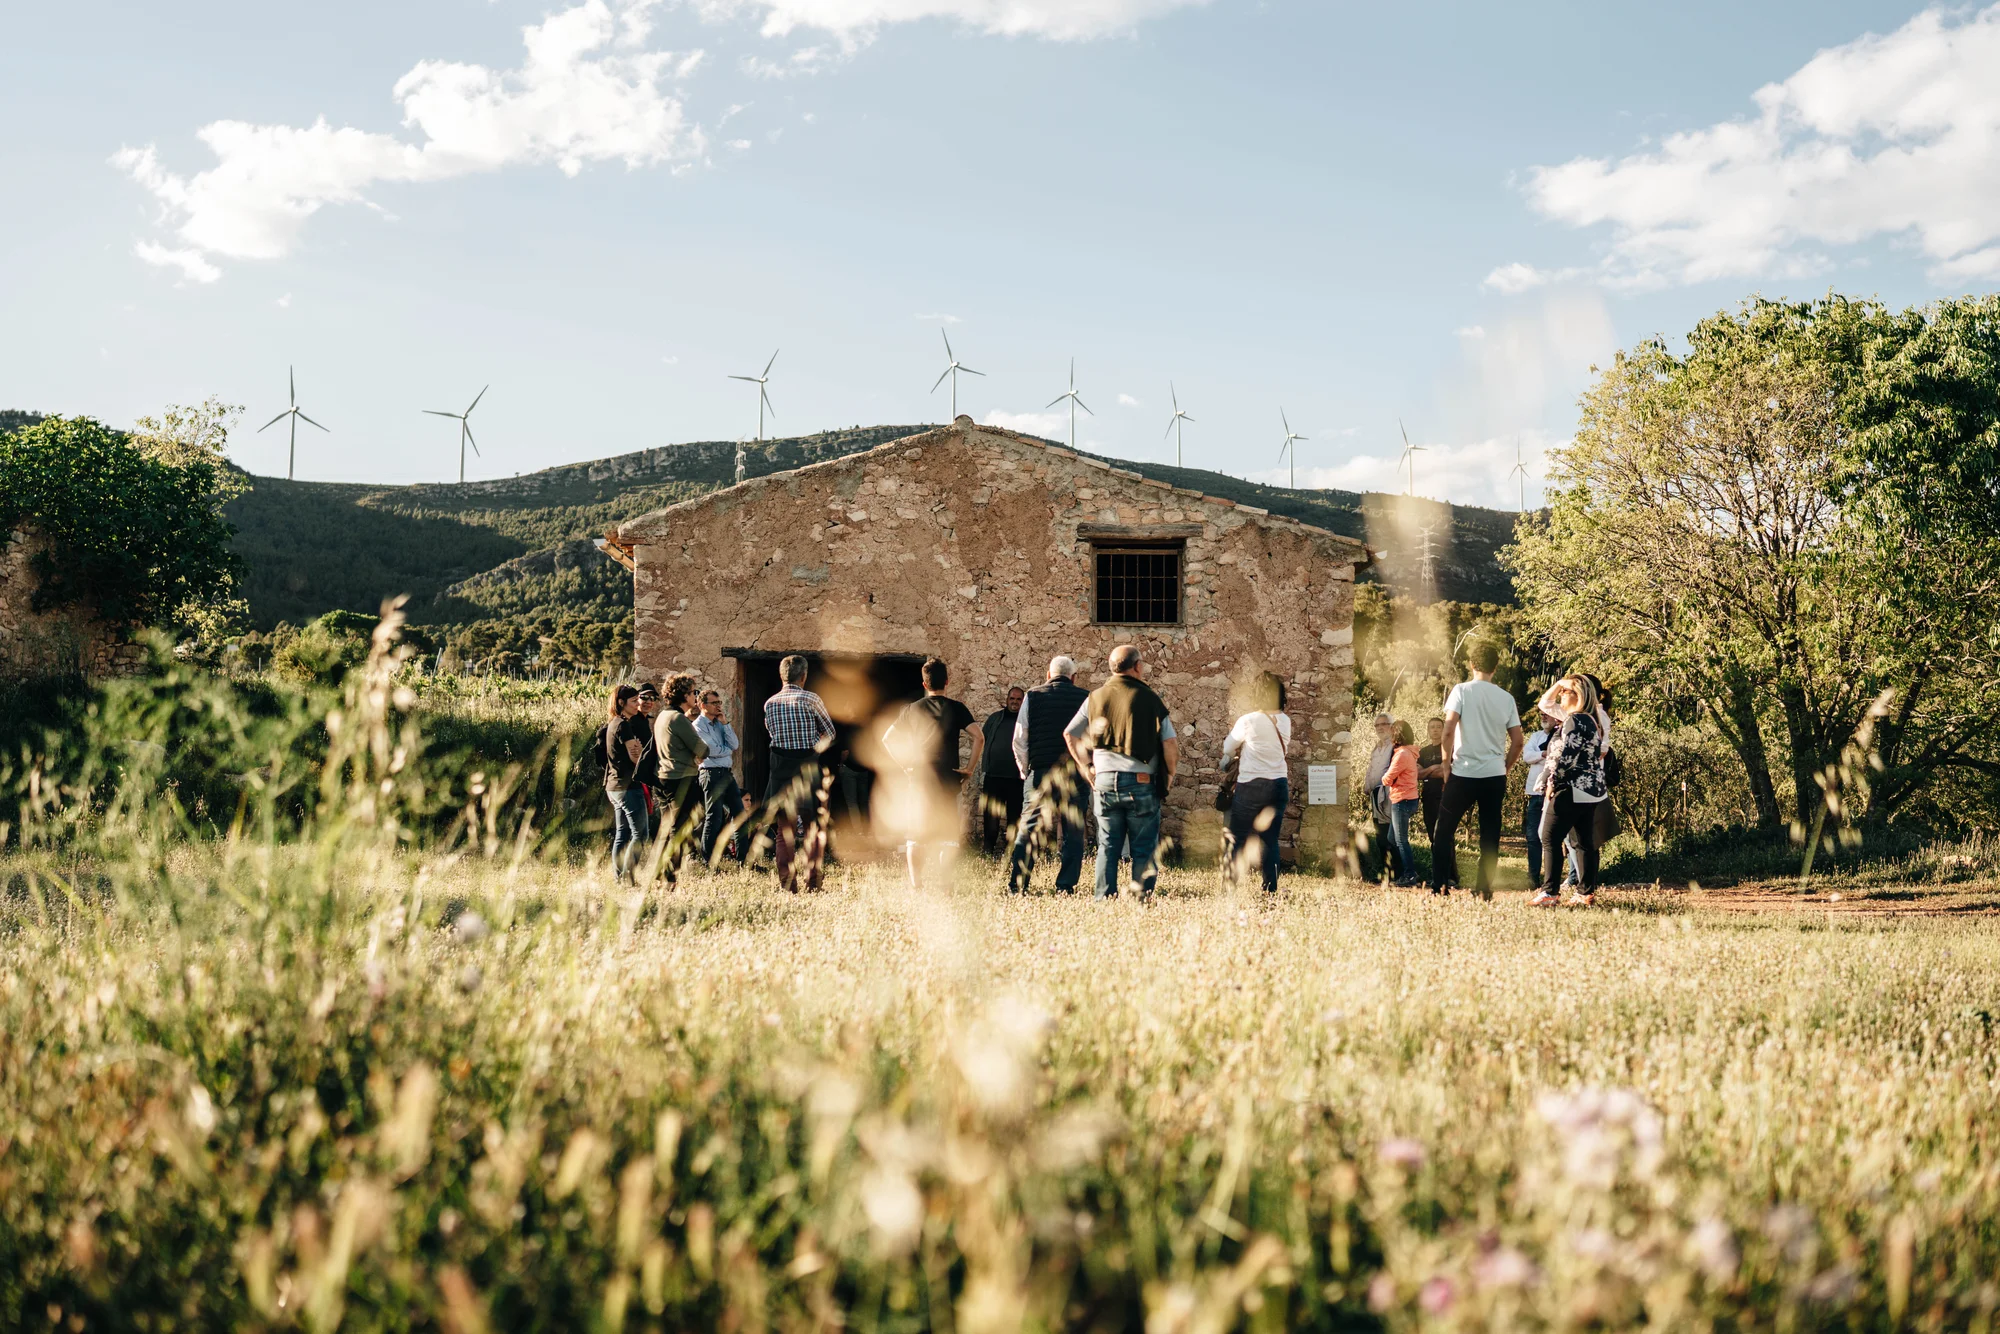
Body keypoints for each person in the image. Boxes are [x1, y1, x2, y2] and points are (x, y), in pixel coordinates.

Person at [1065, 644, 1179, 901]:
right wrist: (1169, 775)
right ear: (1137, 666)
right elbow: (1170, 744)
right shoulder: (1150, 698)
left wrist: (1086, 767)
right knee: (1143, 848)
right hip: (1141, 781)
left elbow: (1069, 733)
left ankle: (1104, 899)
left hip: (1104, 781)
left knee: (1107, 846)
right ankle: (1141, 900)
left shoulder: (1094, 697)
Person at [1430, 644, 1525, 899]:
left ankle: (1440, 886)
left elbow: (1448, 730)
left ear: (1471, 664)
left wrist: (1446, 762)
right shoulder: (1506, 698)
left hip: (1463, 773)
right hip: (1493, 775)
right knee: (1490, 834)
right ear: (1496, 667)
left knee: (1443, 831)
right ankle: (1484, 890)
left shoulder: (1461, 691)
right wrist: (1504, 767)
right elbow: (1517, 741)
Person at [884, 658, 981, 888]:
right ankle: (945, 886)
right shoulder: (957, 708)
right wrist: (969, 769)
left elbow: (887, 739)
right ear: (947, 682)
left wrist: (904, 765)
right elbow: (979, 737)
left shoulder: (911, 709)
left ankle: (917, 887)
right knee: (947, 839)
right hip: (948, 781)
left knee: (915, 838)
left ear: (924, 684)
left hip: (918, 781)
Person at [1007, 656, 1090, 895]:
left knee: (1029, 830)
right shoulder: (1086, 697)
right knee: (1074, 832)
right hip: (1074, 774)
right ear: (1074, 678)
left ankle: (1018, 885)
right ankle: (1066, 886)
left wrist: (1026, 771)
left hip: (1041, 771)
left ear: (1048, 675)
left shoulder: (1032, 696)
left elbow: (1020, 739)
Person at [762, 654, 836, 892]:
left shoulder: (770, 703)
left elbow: (772, 735)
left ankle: (787, 885)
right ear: (804, 676)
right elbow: (830, 733)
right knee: (814, 830)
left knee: (785, 833)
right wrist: (814, 748)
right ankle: (813, 883)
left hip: (781, 772)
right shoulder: (811, 699)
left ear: (781, 676)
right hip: (808, 770)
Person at [1533, 675, 1608, 906]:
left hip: (1571, 787)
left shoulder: (1576, 720)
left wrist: (1553, 783)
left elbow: (1568, 756)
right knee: (1583, 842)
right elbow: (1545, 703)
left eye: (1565, 691)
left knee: (1549, 837)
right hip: (1590, 789)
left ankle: (1550, 892)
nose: (1560, 695)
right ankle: (1585, 893)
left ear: (1578, 695)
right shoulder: (1591, 720)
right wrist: (1560, 684)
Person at [1221, 671, 1293, 894]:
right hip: (1278, 784)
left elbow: (1227, 747)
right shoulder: (1285, 721)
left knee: (1237, 838)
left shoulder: (1248, 720)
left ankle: (1229, 888)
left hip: (1251, 784)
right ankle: (1269, 890)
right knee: (1270, 841)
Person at [650, 675, 709, 886]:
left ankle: (658, 870)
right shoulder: (678, 719)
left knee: (667, 829)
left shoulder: (662, 717)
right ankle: (668, 876)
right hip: (682, 779)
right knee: (679, 829)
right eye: (694, 692)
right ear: (685, 695)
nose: (696, 696)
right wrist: (696, 754)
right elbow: (703, 749)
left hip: (664, 778)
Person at [596, 684, 651, 884]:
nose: (639, 704)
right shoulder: (623, 725)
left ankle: (620, 878)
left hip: (614, 786)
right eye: (634, 701)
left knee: (623, 833)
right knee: (641, 834)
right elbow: (635, 756)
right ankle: (628, 878)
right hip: (629, 786)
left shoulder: (613, 723)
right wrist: (645, 758)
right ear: (621, 703)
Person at [692, 688, 744, 864]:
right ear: (702, 705)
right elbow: (709, 750)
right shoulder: (698, 726)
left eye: (719, 703)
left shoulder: (720, 724)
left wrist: (726, 723)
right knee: (714, 817)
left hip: (726, 774)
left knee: (740, 814)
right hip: (710, 774)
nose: (718, 706)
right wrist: (726, 750)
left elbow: (735, 744)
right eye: (714, 703)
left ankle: (743, 860)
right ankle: (708, 861)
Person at [978, 687, 1026, 854]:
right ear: (1007, 699)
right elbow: (982, 739)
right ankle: (988, 851)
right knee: (991, 817)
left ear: (1023, 701)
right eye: (1012, 698)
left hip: (1016, 779)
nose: (1014, 702)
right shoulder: (995, 718)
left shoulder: (1026, 720)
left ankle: (1011, 853)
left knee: (1015, 818)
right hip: (993, 777)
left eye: (1018, 699)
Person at [1383, 720, 1423, 887]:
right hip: (1409, 798)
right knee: (1392, 838)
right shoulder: (1410, 752)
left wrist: (1384, 777)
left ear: (1396, 735)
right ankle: (1399, 872)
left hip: (1401, 800)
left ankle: (1410, 874)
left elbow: (1387, 779)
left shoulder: (1401, 755)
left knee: (1401, 841)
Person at [1360, 713, 1399, 883]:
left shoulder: (1395, 747)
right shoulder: (1377, 748)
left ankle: (1396, 873)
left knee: (1391, 834)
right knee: (1380, 834)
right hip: (1375, 796)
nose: (1380, 728)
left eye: (1384, 724)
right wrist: (1366, 785)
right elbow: (1372, 769)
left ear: (1392, 726)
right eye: (1377, 725)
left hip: (1389, 795)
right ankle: (1386, 872)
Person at [1520, 716, 1553, 888]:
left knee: (1553, 837)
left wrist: (1539, 757)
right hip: (1535, 792)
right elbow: (1526, 756)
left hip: (1554, 792)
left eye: (1547, 714)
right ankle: (1533, 877)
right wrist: (1543, 754)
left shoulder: (1562, 735)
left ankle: (1556, 878)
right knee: (1532, 836)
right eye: (1542, 713)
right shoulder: (1535, 736)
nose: (1543, 717)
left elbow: (1557, 757)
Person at [1417, 717, 1448, 844]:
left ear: (1444, 729)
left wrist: (1426, 771)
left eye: (1438, 727)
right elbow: (1417, 774)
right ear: (1428, 730)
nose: (1435, 730)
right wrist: (1433, 767)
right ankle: (1436, 863)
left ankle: (1448, 864)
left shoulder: (1448, 749)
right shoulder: (1423, 752)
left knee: (1443, 834)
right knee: (1431, 834)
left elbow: (1446, 772)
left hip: (1444, 796)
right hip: (1428, 796)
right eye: (1432, 727)